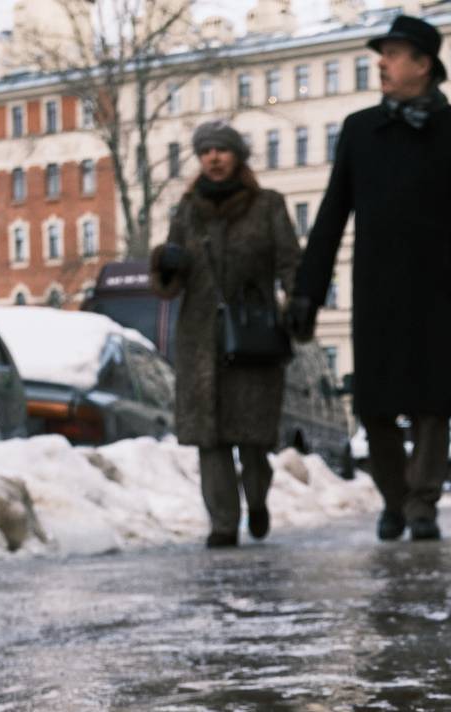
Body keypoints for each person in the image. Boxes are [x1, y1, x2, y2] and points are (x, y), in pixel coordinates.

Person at [291, 14, 451, 542]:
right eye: (380, 55)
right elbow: (333, 213)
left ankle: (423, 503)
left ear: (423, 64)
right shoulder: (361, 130)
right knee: (376, 404)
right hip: (375, 290)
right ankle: (394, 497)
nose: (381, 64)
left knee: (431, 403)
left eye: (392, 54)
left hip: (435, 289)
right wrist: (308, 292)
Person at [150, 121, 301, 548]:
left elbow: (290, 261)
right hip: (199, 339)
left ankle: (256, 501)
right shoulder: (187, 209)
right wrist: (166, 262)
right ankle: (222, 523)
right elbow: (171, 282)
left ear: (238, 157)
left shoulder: (267, 205)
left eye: (222, 150)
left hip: (253, 335)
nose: (214, 158)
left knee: (252, 438)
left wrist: (295, 304)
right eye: (206, 151)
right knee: (210, 439)